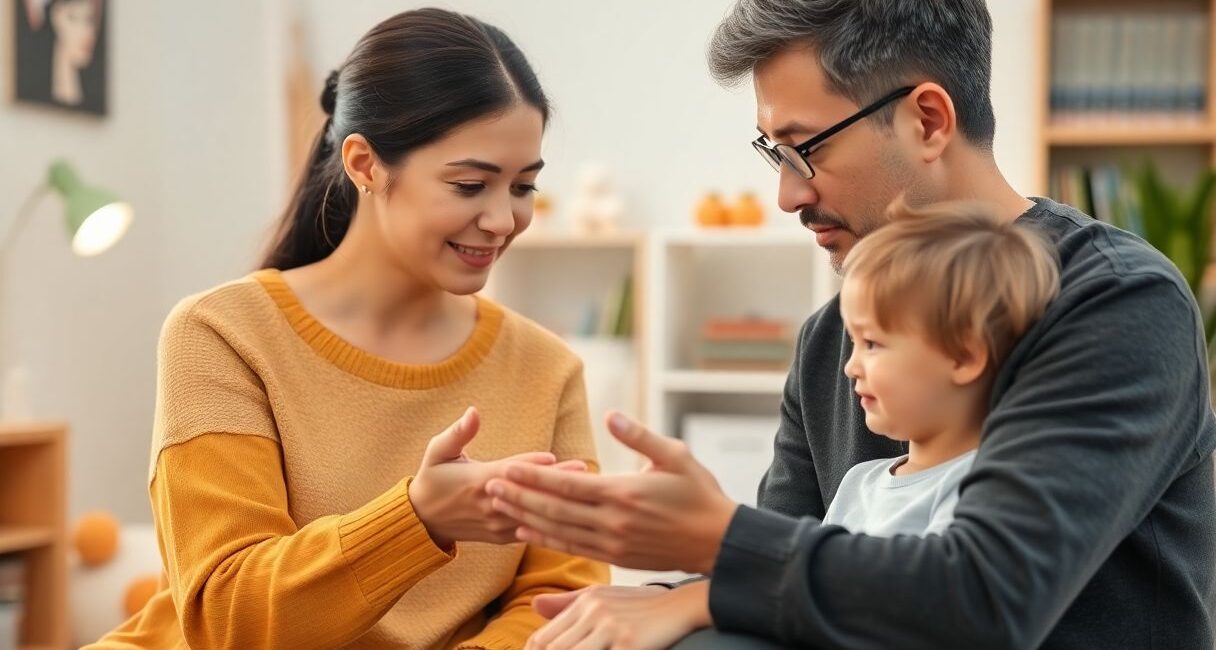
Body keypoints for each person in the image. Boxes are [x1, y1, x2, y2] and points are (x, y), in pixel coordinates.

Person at [485, 1, 1216, 648]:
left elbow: (991, 598)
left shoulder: (1114, 301)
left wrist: (715, 541)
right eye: (773, 152)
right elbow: (790, 580)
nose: (786, 193)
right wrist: (659, 598)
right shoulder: (831, 339)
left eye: (807, 147)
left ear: (927, 120)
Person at [86, 8, 606, 649]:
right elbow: (228, 619)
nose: (502, 219)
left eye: (523, 187)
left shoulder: (547, 369)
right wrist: (417, 521)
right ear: (364, 163)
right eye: (471, 184)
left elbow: (566, 603)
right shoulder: (220, 335)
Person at [826, 199, 1058, 538]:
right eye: (854, 342)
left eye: (872, 343)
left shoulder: (987, 490)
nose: (850, 367)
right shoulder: (857, 483)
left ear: (963, 357)